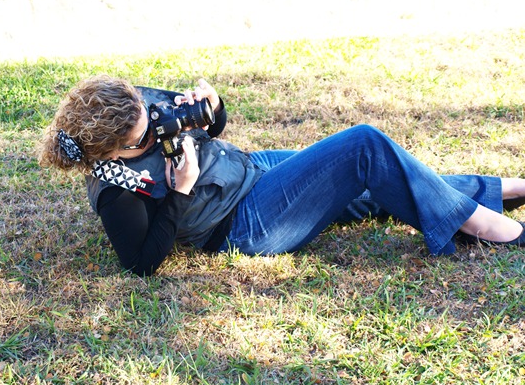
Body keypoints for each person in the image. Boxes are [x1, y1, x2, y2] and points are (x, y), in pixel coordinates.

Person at [38, 75, 525, 277]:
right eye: (143, 138)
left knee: (378, 178)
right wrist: (180, 192)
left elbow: (211, 128)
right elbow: (141, 263)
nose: (155, 128)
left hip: (250, 169)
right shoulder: (115, 191)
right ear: (111, 150)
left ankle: (499, 190)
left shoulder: (134, 107)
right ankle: (481, 223)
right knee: (363, 147)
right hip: (244, 222)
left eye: (151, 117)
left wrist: (212, 107)